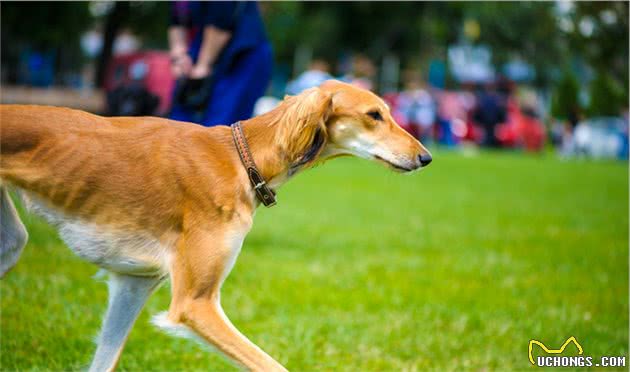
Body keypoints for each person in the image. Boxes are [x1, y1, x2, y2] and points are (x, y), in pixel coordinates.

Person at [168, 1, 272, 126]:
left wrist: (203, 65)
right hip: (202, 46)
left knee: (220, 128)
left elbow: (221, 19)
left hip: (240, 54)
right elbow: (177, 17)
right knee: (178, 122)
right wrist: (179, 56)